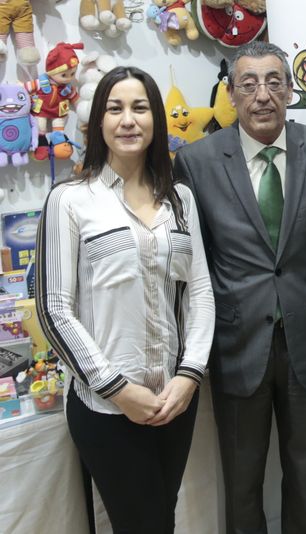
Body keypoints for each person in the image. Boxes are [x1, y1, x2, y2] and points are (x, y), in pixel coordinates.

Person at [173, 41, 306, 533]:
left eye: (274, 81)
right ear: (231, 94)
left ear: (291, 90)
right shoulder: (197, 162)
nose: (263, 95)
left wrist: (305, 295)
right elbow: (196, 262)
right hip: (235, 346)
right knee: (242, 481)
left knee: (304, 475)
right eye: (248, 83)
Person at [35, 66, 214, 533]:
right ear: (98, 122)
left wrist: (190, 376)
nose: (128, 120)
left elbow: (199, 292)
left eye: (140, 108)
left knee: (162, 519)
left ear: (156, 119)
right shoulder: (70, 200)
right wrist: (116, 388)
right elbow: (54, 308)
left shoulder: (180, 200)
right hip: (108, 408)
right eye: (115, 109)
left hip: (174, 399)